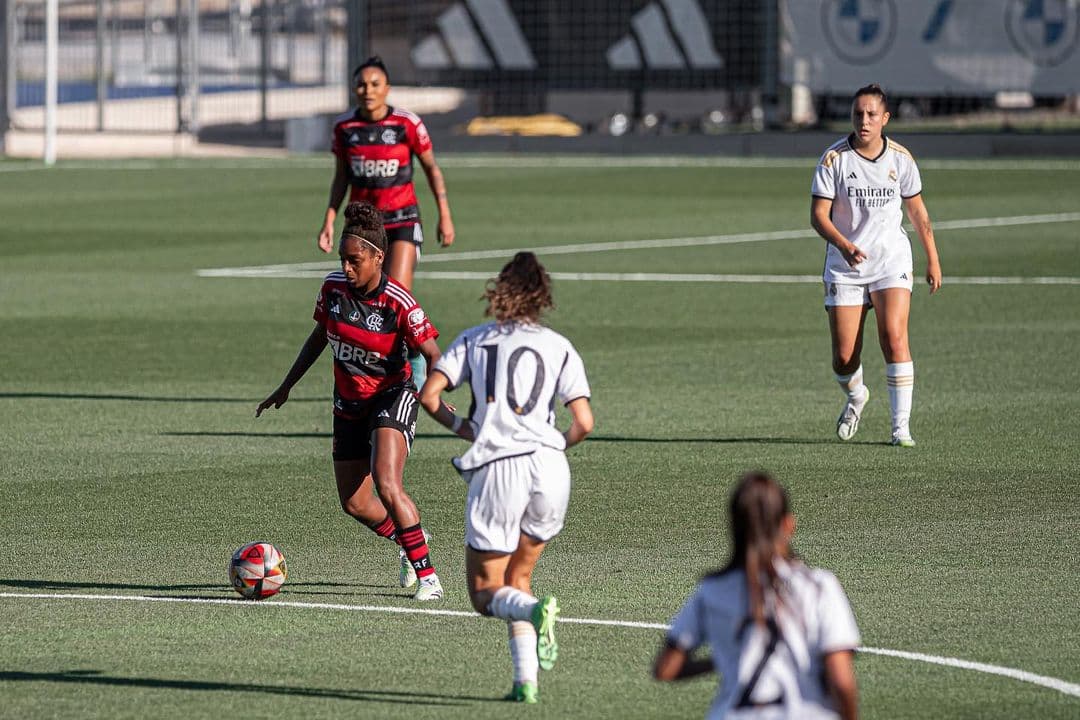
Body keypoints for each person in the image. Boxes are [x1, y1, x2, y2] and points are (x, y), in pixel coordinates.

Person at [418, 252, 594, 704]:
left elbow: (430, 396)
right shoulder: (559, 345)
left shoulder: (475, 339)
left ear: (500, 290)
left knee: (484, 593)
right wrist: (552, 445)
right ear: (542, 296)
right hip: (551, 469)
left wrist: (466, 428)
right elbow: (584, 422)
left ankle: (535, 612)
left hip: (500, 468)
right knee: (518, 578)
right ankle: (525, 682)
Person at [259, 201, 444, 601]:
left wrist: (431, 394)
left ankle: (429, 578)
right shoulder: (333, 289)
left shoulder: (399, 302)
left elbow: (433, 353)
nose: (346, 267)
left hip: (392, 396)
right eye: (343, 259)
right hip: (348, 404)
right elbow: (319, 336)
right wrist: (286, 386)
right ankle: (411, 537)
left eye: (354, 260)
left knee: (386, 481)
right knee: (355, 503)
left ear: (378, 258)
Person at [653, 472, 860, 720]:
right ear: (789, 524)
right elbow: (842, 680)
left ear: (734, 528)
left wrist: (727, 659)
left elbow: (666, 668)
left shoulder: (712, 590)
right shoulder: (818, 586)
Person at [810, 83, 941, 447]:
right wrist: (843, 245)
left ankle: (901, 429)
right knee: (844, 357)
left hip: (890, 260)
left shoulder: (901, 159)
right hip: (845, 265)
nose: (864, 121)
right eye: (858, 114)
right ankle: (856, 396)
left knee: (895, 338)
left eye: (871, 114)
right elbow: (818, 216)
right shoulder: (834, 159)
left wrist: (933, 258)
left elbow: (918, 212)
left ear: (885, 118)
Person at [317, 56, 456, 386]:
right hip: (362, 227)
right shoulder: (345, 128)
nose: (367, 90)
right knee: (365, 298)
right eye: (361, 85)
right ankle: (376, 372)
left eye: (375, 84)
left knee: (395, 295)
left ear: (387, 88)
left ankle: (416, 374)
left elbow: (432, 169)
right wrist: (329, 220)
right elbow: (341, 178)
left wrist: (445, 215)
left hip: (402, 220)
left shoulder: (406, 124)